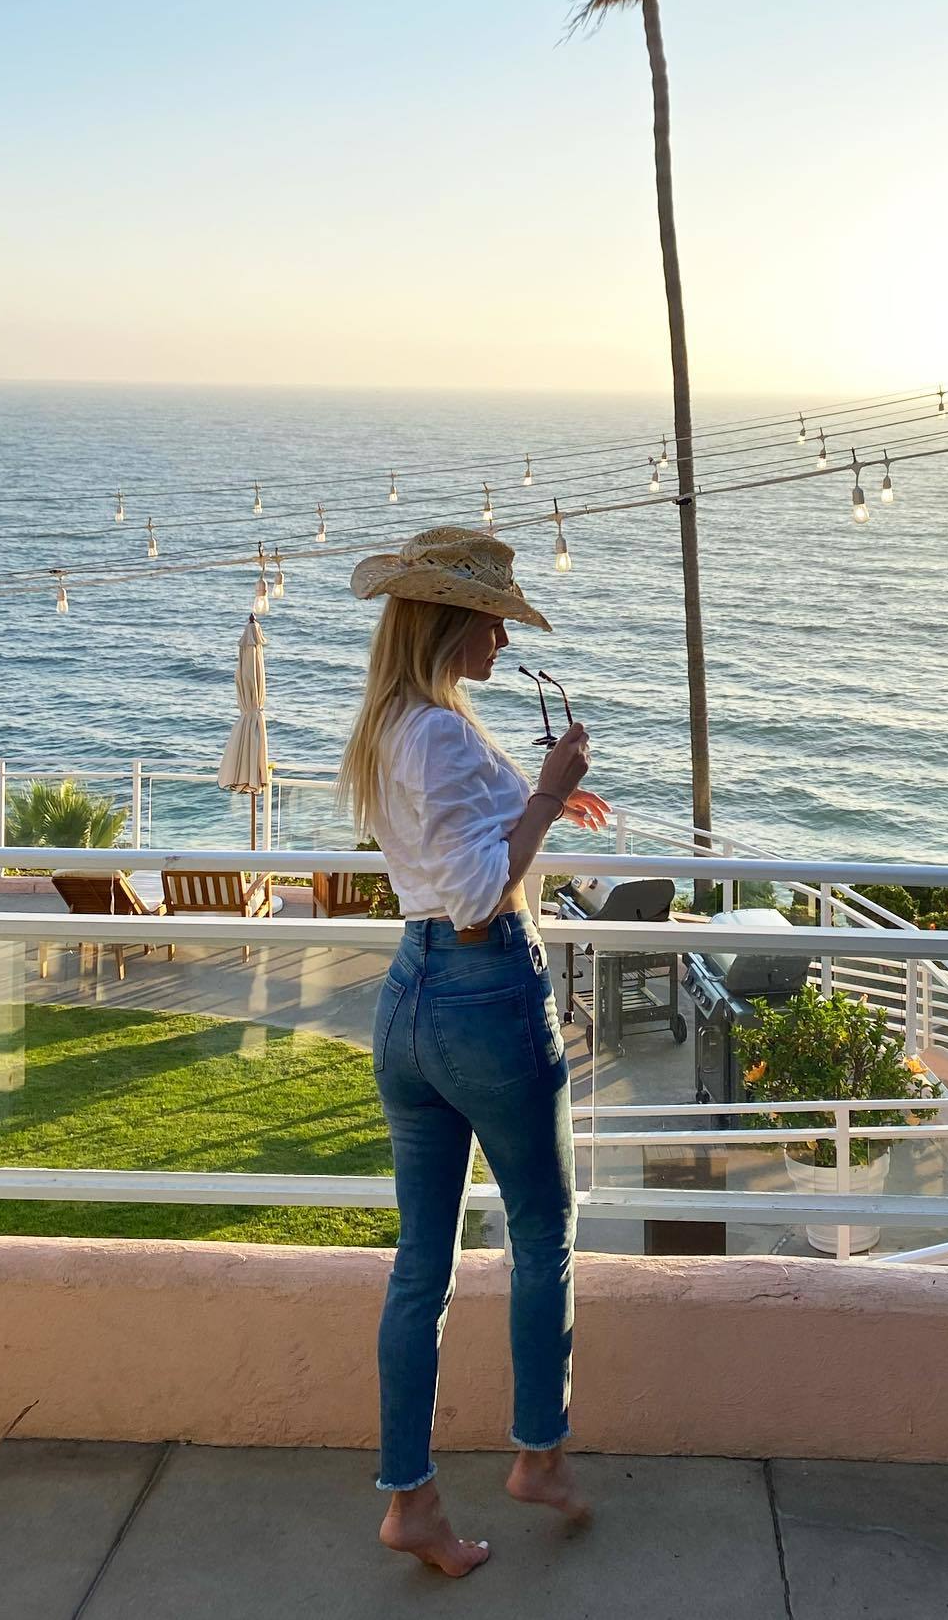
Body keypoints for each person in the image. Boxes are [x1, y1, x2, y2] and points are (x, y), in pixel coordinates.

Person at [338, 525, 609, 1576]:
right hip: (483, 991)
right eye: (491, 620)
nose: (502, 637)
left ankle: (410, 1500)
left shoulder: (398, 723)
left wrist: (540, 804)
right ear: (449, 621)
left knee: (423, 1260)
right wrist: (546, 784)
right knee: (544, 1230)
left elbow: (454, 848)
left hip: (409, 1001)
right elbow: (476, 894)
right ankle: (539, 1453)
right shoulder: (442, 735)